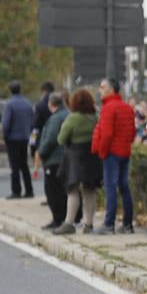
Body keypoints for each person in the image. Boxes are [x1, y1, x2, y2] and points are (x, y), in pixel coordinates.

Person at [91, 77, 136, 234]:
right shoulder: (127, 107)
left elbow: (107, 134)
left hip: (112, 152)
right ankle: (128, 224)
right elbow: (132, 132)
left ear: (111, 90)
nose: (100, 90)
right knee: (124, 186)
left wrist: (102, 152)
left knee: (110, 187)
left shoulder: (108, 108)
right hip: (124, 151)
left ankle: (109, 224)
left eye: (102, 87)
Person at [54, 89, 101, 234]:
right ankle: (89, 224)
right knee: (90, 190)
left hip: (75, 156)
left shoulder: (73, 118)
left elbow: (61, 139)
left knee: (72, 189)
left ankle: (69, 223)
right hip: (92, 156)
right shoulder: (96, 117)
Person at [34, 93, 69, 229]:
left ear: (51, 104)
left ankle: (58, 219)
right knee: (63, 190)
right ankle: (65, 218)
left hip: (54, 159)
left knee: (53, 191)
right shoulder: (67, 114)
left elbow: (51, 138)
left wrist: (41, 152)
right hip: (66, 158)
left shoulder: (55, 118)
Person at [1, 81, 36, 199]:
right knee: (24, 165)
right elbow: (32, 122)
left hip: (12, 138)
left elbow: (6, 123)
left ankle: (16, 191)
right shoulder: (27, 103)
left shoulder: (9, 104)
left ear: (10, 90)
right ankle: (29, 190)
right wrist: (28, 132)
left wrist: (5, 135)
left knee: (14, 166)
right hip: (24, 137)